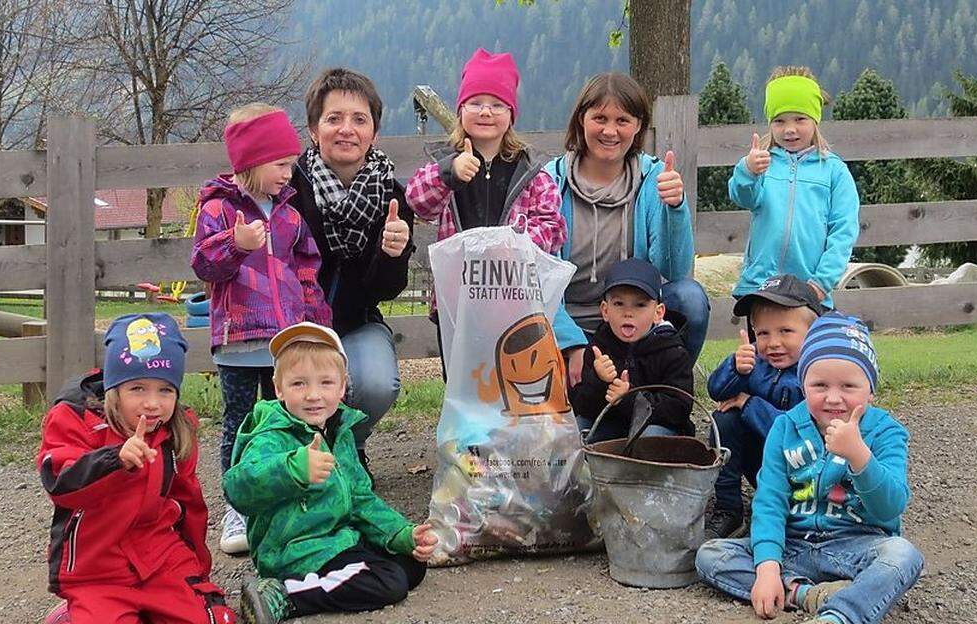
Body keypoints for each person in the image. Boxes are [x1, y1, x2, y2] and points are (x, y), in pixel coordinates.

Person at [694, 312, 923, 624]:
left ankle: (836, 623)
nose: (834, 399)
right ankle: (808, 595)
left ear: (871, 388)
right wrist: (768, 565)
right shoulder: (786, 427)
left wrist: (859, 457)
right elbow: (770, 501)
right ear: (804, 384)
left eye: (849, 386)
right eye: (819, 386)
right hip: (794, 545)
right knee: (710, 556)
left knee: (903, 555)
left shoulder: (885, 432)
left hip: (855, 545)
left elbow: (891, 507)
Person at [37, 314, 235, 624]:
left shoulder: (178, 430)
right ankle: (77, 617)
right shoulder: (76, 419)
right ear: (114, 388)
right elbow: (59, 482)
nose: (152, 403)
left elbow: (189, 501)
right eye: (137, 388)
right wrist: (115, 461)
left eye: (165, 390)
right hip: (98, 565)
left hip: (157, 557)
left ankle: (131, 614)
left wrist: (197, 571)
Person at [224, 322, 438, 624]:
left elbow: (360, 498)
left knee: (409, 564)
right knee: (390, 582)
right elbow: (237, 487)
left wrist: (401, 534)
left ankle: (324, 580)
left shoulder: (339, 431)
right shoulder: (271, 434)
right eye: (298, 384)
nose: (313, 395)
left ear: (342, 388)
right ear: (278, 388)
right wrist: (291, 469)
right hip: (294, 550)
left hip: (335, 539)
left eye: (326, 383)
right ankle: (284, 595)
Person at [191, 103, 331, 555]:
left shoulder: (290, 216)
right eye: (280, 164)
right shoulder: (217, 210)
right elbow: (204, 266)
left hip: (283, 343)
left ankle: (284, 498)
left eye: (291, 164)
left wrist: (316, 325)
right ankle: (238, 504)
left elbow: (308, 268)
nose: (289, 174)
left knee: (282, 420)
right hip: (236, 342)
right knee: (238, 422)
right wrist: (236, 243)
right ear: (250, 163)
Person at [405, 48, 566, 370]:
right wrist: (448, 173)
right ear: (461, 110)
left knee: (512, 377)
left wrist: (511, 245)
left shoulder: (530, 168)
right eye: (475, 103)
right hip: (456, 299)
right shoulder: (444, 160)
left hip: (513, 297)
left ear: (511, 114)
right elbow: (417, 200)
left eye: (497, 105)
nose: (486, 112)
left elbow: (553, 225)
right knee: (463, 380)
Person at [546, 72, 709, 384]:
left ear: (638, 126)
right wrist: (572, 343)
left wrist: (675, 208)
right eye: (600, 118)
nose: (610, 131)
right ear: (582, 120)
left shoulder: (655, 178)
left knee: (690, 297)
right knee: (579, 426)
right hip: (567, 323)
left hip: (634, 318)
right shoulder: (550, 183)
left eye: (622, 120)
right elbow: (537, 281)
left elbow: (674, 272)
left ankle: (662, 391)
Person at [290, 67, 415, 474]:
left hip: (357, 321)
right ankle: (293, 458)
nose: (347, 129)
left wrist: (392, 253)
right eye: (334, 118)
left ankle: (348, 447)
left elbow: (386, 289)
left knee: (378, 383)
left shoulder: (392, 195)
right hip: (296, 322)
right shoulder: (289, 187)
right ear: (313, 129)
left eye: (359, 120)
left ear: (374, 133)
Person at [730, 66, 859, 314]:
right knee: (764, 349)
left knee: (807, 352)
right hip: (761, 285)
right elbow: (742, 197)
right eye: (779, 121)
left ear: (815, 120)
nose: (790, 129)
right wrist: (747, 170)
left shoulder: (834, 171)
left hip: (809, 289)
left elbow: (843, 232)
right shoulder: (761, 164)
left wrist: (821, 284)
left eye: (800, 119)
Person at [704, 274, 823, 540]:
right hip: (762, 463)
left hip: (803, 471)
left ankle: (795, 514)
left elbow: (798, 434)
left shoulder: (817, 375)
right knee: (724, 419)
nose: (773, 343)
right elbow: (716, 391)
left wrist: (750, 403)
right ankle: (728, 509)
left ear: (813, 333)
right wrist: (735, 368)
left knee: (740, 410)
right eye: (763, 333)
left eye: (786, 331)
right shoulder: (756, 360)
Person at [569, 258, 693, 441]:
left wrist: (631, 399)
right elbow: (582, 407)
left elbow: (680, 408)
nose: (628, 313)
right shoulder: (598, 348)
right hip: (611, 426)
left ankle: (641, 469)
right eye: (619, 304)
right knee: (577, 429)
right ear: (605, 310)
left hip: (656, 426)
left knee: (650, 438)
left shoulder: (672, 350)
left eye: (640, 305)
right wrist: (599, 380)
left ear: (658, 312)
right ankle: (588, 469)